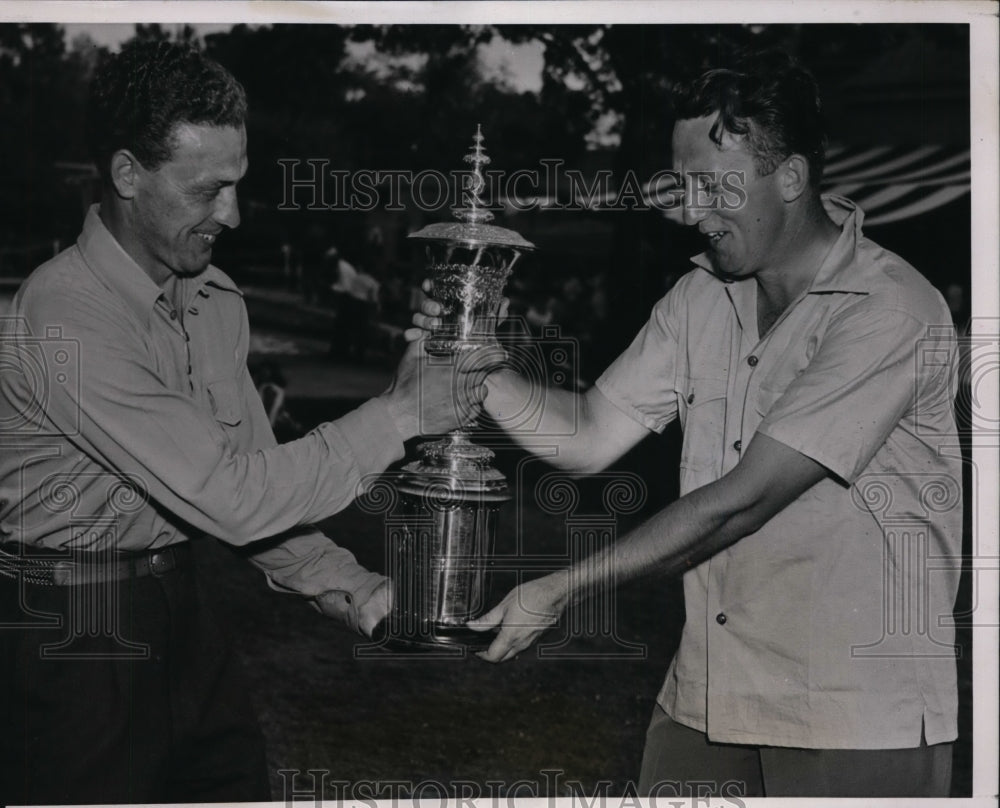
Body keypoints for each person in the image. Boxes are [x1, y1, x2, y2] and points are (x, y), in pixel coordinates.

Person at [412, 50, 962, 798]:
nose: (690, 209)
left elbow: (743, 500)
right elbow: (587, 434)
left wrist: (560, 590)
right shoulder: (700, 297)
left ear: (791, 178)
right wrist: (474, 359)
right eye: (681, 182)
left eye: (712, 186)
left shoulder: (890, 307)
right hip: (707, 696)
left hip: (854, 712)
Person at [0, 42, 486, 805]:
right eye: (208, 190)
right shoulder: (64, 314)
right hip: (72, 637)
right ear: (128, 175)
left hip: (187, 615)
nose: (231, 213)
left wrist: (355, 591)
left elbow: (259, 482)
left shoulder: (213, 299)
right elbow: (229, 494)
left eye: (237, 184)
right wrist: (398, 413)